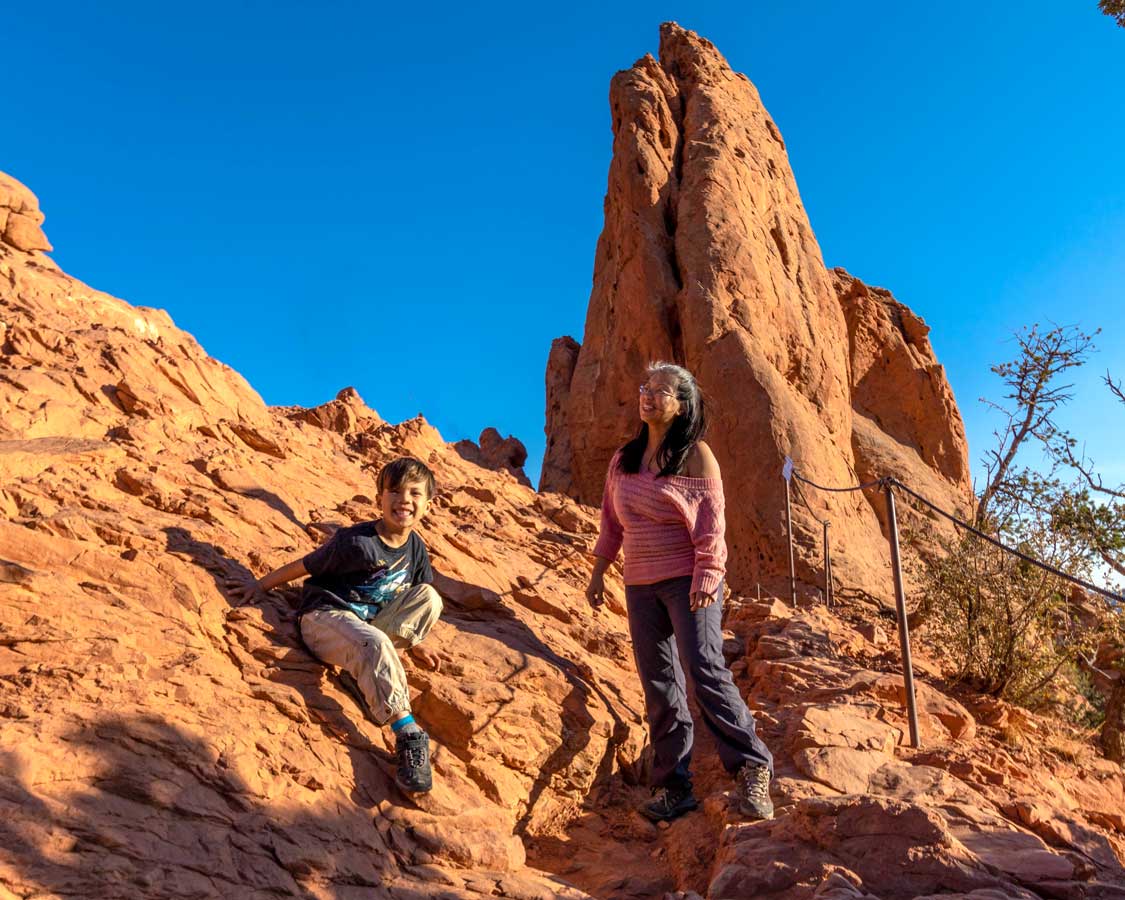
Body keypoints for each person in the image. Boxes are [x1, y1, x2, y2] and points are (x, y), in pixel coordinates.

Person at [585, 362, 774, 822]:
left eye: (662, 391)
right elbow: (612, 523)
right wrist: (598, 573)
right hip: (639, 585)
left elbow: (712, 529)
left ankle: (752, 767)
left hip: (689, 582)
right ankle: (674, 787)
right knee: (659, 684)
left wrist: (708, 578)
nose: (649, 396)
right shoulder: (624, 460)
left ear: (682, 404)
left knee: (704, 670)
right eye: (645, 387)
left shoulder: (696, 456)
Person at [227, 456, 442, 795]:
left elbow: (414, 599)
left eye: (415, 494)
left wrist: (418, 644)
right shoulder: (357, 542)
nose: (405, 500)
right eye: (395, 492)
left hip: (364, 627)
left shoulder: (416, 548)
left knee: (430, 597)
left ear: (427, 505)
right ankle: (408, 733)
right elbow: (305, 565)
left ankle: (358, 674)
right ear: (379, 500)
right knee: (375, 644)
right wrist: (260, 586)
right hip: (324, 618)